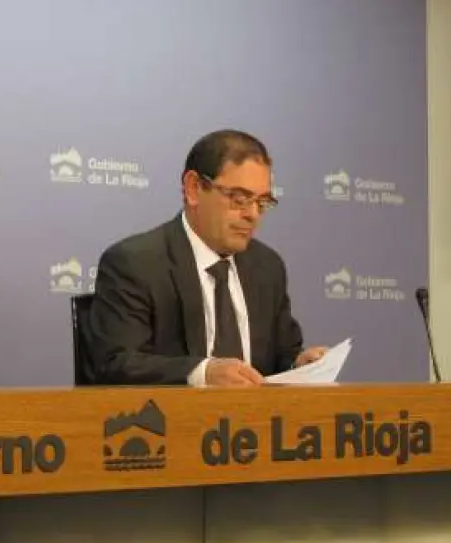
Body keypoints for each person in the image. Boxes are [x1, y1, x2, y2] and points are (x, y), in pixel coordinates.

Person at [87, 129, 326, 386]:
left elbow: (280, 357)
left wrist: (298, 365)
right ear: (194, 189)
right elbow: (117, 363)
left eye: (262, 202)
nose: (252, 214)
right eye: (239, 198)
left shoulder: (267, 267)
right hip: (174, 412)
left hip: (257, 412)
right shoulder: (136, 263)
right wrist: (203, 373)